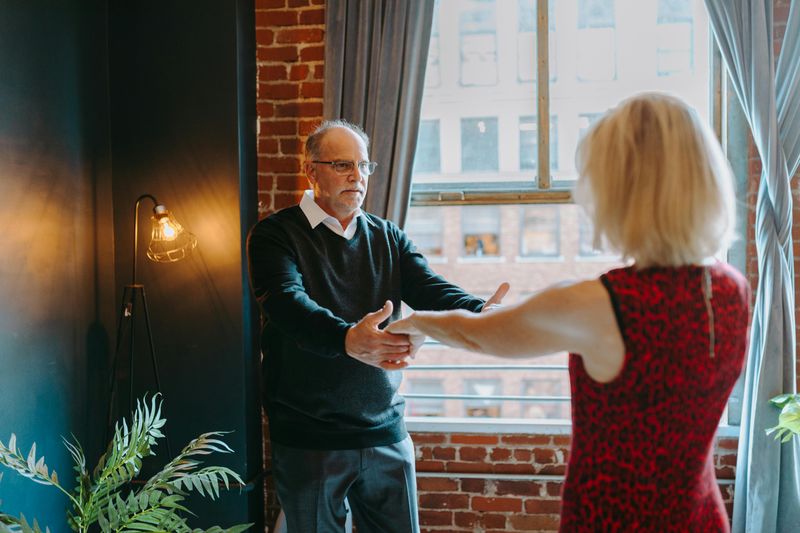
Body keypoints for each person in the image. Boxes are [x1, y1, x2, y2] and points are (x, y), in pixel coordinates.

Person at [388, 93, 750, 532]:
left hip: (614, 522)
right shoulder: (732, 288)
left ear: (625, 192)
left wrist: (416, 324)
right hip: (698, 517)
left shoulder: (601, 304)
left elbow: (477, 334)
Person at [247, 119, 508, 533]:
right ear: (311, 170)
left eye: (365, 166)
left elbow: (429, 288)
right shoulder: (274, 235)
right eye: (342, 165)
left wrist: (479, 312)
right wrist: (346, 338)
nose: (357, 176)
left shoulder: (388, 236)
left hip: (386, 431)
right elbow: (286, 303)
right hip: (310, 437)